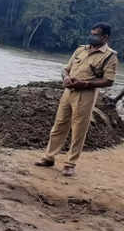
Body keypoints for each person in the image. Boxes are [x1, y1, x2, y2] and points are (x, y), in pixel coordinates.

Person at [35, 23, 118, 177]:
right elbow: (65, 68)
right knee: (59, 124)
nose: (91, 36)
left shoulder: (109, 56)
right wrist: (66, 78)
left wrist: (86, 83)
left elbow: (109, 81)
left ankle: (70, 164)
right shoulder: (81, 49)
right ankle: (49, 157)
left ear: (105, 37)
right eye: (91, 33)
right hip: (68, 92)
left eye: (96, 34)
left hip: (85, 95)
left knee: (79, 129)